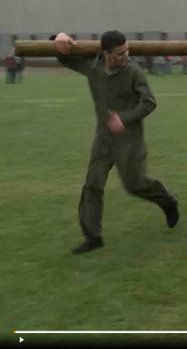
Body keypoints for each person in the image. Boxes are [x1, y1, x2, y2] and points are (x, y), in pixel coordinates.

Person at [53, 31, 180, 254]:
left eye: (127, 51)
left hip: (129, 140)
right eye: (120, 53)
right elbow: (65, 57)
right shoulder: (92, 67)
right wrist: (59, 37)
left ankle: (168, 201)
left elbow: (149, 103)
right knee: (93, 183)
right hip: (103, 139)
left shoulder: (134, 72)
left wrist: (125, 118)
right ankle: (93, 236)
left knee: (135, 185)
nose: (126, 56)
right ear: (106, 53)